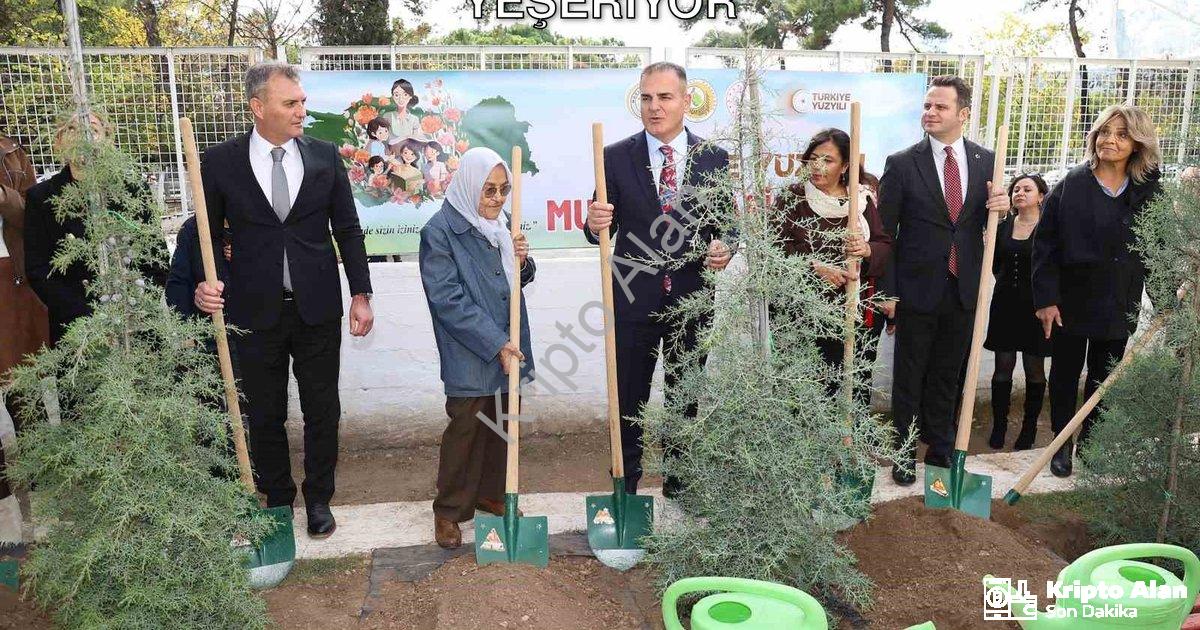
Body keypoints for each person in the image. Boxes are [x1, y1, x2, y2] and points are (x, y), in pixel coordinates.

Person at [193, 61, 374, 537]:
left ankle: (319, 500)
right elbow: (205, 236)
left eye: (302, 102)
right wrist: (202, 283)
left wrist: (361, 293)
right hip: (252, 311)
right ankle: (277, 499)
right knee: (264, 411)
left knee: (322, 410)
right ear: (258, 107)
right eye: (290, 103)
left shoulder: (324, 155)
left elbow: (348, 229)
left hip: (317, 309)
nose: (301, 111)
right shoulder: (220, 162)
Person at [584, 62, 733, 497]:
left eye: (665, 97)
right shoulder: (613, 156)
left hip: (692, 298)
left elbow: (728, 225)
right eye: (646, 98)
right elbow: (597, 228)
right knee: (628, 396)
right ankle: (624, 484)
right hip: (632, 297)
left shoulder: (714, 159)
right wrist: (594, 223)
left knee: (685, 394)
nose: (654, 107)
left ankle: (679, 481)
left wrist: (726, 246)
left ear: (687, 101)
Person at [876, 75, 1009, 485]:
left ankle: (939, 447)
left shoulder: (988, 161)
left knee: (948, 373)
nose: (930, 113)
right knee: (909, 375)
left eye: (940, 107)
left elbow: (983, 226)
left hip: (963, 287)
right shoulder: (902, 163)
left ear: (963, 114)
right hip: (916, 289)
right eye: (927, 106)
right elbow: (886, 233)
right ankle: (902, 450)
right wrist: (889, 293)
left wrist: (1000, 210)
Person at [1032, 104, 1162, 477]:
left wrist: (1166, 298)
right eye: (1105, 132)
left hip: (1119, 300)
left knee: (1104, 377)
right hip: (1071, 300)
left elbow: (1156, 247)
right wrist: (1046, 299)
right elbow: (1046, 244)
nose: (1110, 140)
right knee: (1064, 374)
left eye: (1122, 134)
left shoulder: (1148, 190)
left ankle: (1091, 442)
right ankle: (1061, 444)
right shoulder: (1073, 183)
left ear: (1137, 143)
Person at [418, 147, 535, 549]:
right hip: (470, 350)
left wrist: (524, 259)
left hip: (509, 342)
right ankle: (449, 511)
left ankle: (491, 494)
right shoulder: (440, 231)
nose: (497, 199)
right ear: (469, 186)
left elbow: (514, 279)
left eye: (504, 190)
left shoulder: (501, 226)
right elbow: (447, 299)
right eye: (489, 190)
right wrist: (495, 342)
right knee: (466, 427)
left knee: (502, 423)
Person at [25, 112, 169, 347]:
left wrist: (135, 306)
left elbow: (157, 260)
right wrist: (89, 317)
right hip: (78, 332)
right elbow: (39, 271)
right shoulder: (42, 199)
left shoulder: (133, 191)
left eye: (92, 129)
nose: (83, 137)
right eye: (72, 129)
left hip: (136, 326)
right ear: (59, 142)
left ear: (108, 139)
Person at [774, 127, 891, 406]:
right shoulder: (793, 198)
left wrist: (867, 250)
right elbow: (774, 249)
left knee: (855, 389)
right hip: (804, 317)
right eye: (813, 158)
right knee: (808, 396)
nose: (817, 166)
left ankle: (852, 445)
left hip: (854, 313)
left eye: (827, 160)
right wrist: (814, 267)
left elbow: (884, 245)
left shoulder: (860, 201)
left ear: (846, 166)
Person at [982, 173, 1051, 451]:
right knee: (1002, 369)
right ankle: (999, 426)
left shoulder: (1048, 229)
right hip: (1005, 305)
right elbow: (995, 265)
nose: (1020, 193)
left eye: (1027, 189)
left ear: (1041, 196)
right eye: (1016, 189)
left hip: (1036, 308)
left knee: (1034, 370)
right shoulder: (1001, 226)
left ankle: (1029, 428)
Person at [0, 133, 47, 502]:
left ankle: (39, 467)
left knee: (21, 377)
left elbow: (33, 210)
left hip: (8, 273)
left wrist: (7, 200)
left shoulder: (10, 149)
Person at [383, 78, 422, 145]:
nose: (401, 99)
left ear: (410, 96)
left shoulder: (414, 119)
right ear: (393, 96)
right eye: (397, 95)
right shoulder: (387, 116)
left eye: (405, 95)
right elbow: (384, 140)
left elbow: (416, 141)